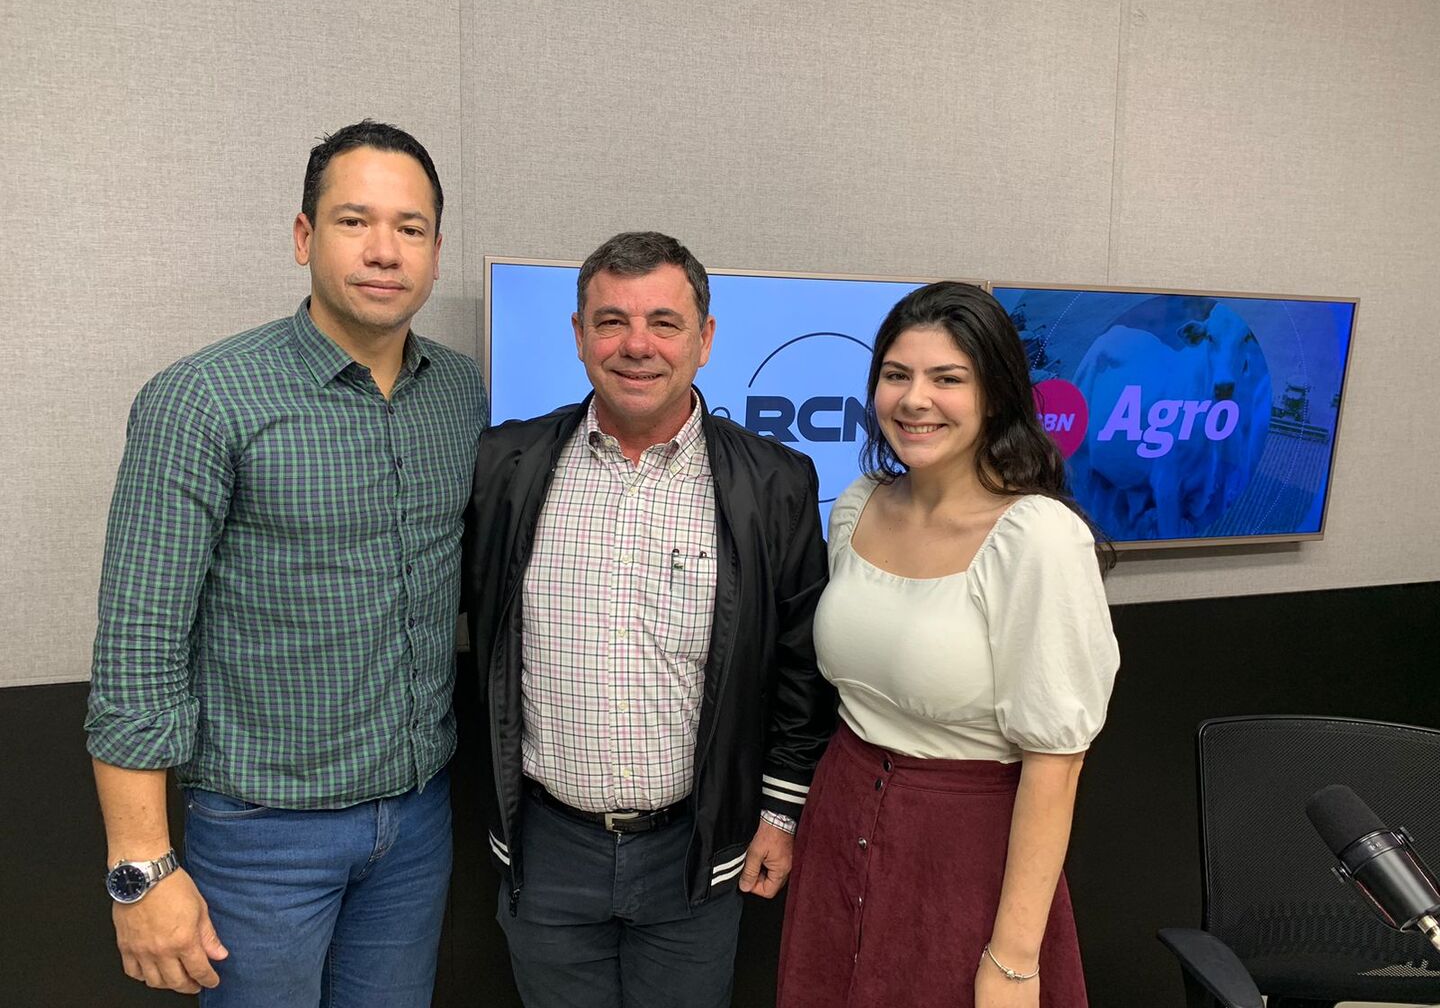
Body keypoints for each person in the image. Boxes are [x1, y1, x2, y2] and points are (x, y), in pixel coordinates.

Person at [84, 120, 487, 1006]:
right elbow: (139, 647)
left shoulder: (460, 395)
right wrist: (140, 870)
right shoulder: (204, 398)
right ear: (304, 236)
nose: (384, 250)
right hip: (262, 835)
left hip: (418, 822)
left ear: (435, 250)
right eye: (354, 221)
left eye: (410, 228)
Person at [464, 230, 835, 1008]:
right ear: (577, 336)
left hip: (693, 852)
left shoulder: (776, 483)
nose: (637, 345)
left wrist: (781, 813)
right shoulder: (506, 465)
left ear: (704, 339)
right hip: (548, 848)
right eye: (610, 321)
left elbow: (803, 665)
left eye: (664, 322)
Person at [776, 281, 1120, 1007]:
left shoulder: (1039, 538)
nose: (914, 399)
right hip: (840, 818)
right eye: (897, 375)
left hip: (966, 849)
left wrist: (1015, 960)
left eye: (947, 378)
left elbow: (1056, 766)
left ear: (994, 395)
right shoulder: (860, 503)